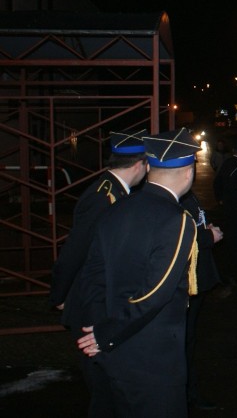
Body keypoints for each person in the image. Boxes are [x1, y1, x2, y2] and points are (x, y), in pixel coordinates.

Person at [76, 128, 202, 418]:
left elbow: (93, 276)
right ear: (188, 172)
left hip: (110, 355)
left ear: (149, 168)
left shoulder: (117, 208)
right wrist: (104, 335)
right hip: (151, 361)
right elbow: (154, 293)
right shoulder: (177, 220)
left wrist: (97, 331)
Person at [49, 128, 149, 418]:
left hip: (100, 298)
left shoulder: (116, 191)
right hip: (89, 302)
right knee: (102, 385)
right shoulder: (103, 197)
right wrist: (60, 294)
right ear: (139, 165)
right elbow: (74, 252)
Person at [180, 189, 223, 411]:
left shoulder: (186, 194)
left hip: (196, 280)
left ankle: (188, 390)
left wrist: (207, 229)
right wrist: (207, 236)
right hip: (186, 282)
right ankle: (186, 393)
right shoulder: (173, 197)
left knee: (188, 338)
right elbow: (179, 236)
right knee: (183, 340)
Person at [214, 136, 237, 276]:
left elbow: (217, 181)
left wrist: (220, 198)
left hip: (227, 205)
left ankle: (233, 257)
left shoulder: (228, 162)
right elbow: (233, 184)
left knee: (230, 230)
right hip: (235, 206)